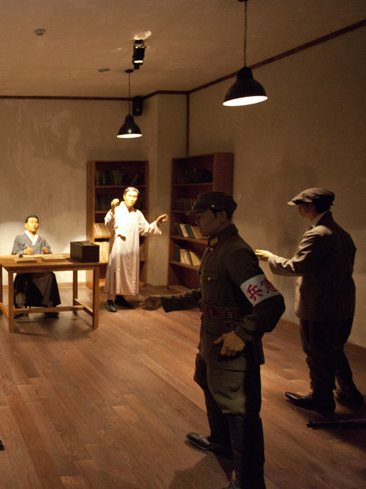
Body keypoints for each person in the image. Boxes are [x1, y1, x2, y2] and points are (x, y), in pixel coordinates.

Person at [142, 192, 285, 489]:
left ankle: (249, 481)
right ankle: (221, 444)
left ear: (221, 215)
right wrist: (166, 301)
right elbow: (207, 295)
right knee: (209, 385)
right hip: (211, 339)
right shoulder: (216, 248)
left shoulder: (236, 252)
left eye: (202, 215)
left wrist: (242, 335)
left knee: (239, 408)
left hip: (232, 344)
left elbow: (271, 303)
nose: (197, 221)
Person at [255, 188, 362, 415]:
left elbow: (298, 266)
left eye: (300, 206)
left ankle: (321, 398)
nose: (298, 210)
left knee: (317, 351)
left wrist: (270, 258)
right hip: (343, 303)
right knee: (335, 348)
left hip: (320, 305)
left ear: (310, 206)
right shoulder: (341, 233)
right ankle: (349, 391)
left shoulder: (318, 234)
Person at [104, 187, 167, 311]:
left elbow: (145, 229)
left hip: (132, 247)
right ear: (124, 196)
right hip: (119, 247)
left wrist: (157, 222)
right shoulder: (116, 210)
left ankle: (120, 297)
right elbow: (108, 224)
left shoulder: (137, 214)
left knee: (128, 271)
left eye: (135, 197)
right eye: (130, 196)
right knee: (115, 271)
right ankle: (110, 300)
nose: (132, 199)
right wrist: (112, 210)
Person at [11, 215, 61, 318]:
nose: (34, 224)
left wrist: (47, 252)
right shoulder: (19, 238)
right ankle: (20, 307)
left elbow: (50, 253)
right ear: (26, 225)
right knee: (21, 278)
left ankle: (49, 306)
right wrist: (23, 252)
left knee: (50, 276)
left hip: (39, 269)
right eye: (31, 222)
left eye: (36, 222)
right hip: (25, 269)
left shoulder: (41, 239)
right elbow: (14, 253)